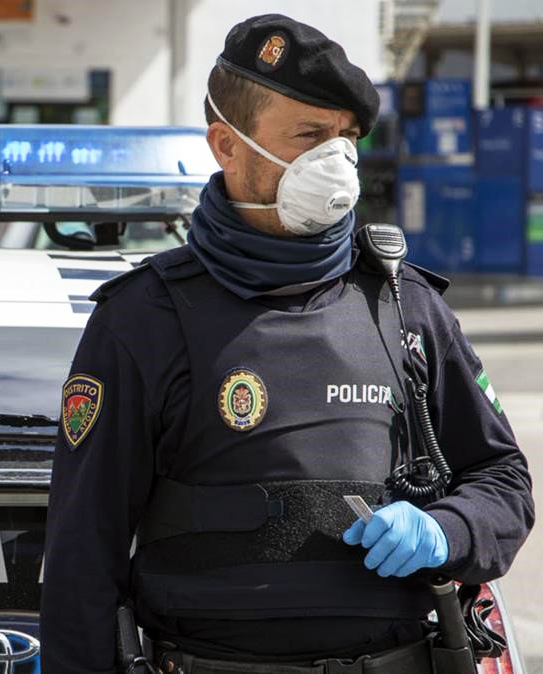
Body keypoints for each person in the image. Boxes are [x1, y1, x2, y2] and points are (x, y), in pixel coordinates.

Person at [41, 15, 533, 674]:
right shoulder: (144, 319)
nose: (335, 161)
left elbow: (504, 482)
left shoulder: (404, 304)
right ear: (227, 144)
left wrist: (447, 529)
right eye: (308, 137)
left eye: (346, 138)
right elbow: (82, 553)